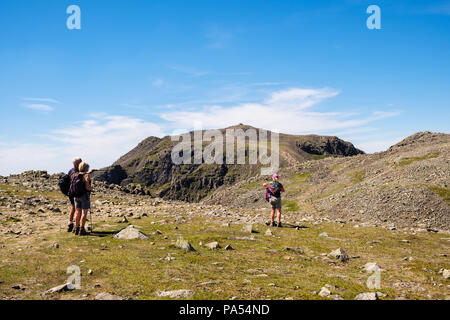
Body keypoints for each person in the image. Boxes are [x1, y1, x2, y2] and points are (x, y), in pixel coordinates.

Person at [73, 162, 96, 236]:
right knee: (84, 212)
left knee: (77, 212)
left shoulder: (75, 175)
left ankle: (76, 228)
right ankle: (82, 229)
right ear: (86, 168)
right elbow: (87, 187)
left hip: (76, 196)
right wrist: (91, 188)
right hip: (84, 196)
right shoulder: (86, 176)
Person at [67, 157, 82, 232]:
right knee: (78, 209)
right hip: (77, 193)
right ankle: (77, 225)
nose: (82, 163)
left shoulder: (70, 171)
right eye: (80, 162)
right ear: (76, 164)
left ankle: (70, 223)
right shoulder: (79, 171)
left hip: (71, 192)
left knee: (73, 207)